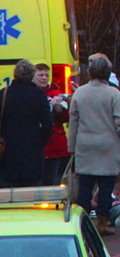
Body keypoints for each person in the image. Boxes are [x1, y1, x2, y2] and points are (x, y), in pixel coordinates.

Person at [68, 54, 120, 235]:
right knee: (106, 187)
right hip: (108, 147)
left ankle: (82, 222)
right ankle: (102, 222)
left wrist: (72, 147)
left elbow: (74, 124)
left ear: (90, 72)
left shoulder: (79, 93)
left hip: (85, 146)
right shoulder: (113, 94)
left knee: (84, 188)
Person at [0, 59, 53, 188]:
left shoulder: (3, 93)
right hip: (32, 152)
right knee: (32, 193)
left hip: (7, 152)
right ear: (31, 75)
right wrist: (41, 142)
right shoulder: (38, 95)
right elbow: (47, 124)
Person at [34, 63, 72, 185]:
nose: (44, 78)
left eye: (46, 75)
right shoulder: (31, 94)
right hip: (38, 145)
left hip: (55, 144)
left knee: (53, 181)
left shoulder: (55, 92)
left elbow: (65, 118)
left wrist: (60, 107)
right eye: (40, 75)